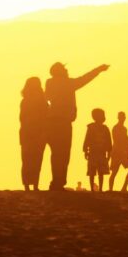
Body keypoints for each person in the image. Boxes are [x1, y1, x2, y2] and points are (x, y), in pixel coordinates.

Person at [45, 62, 109, 190]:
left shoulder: (50, 83)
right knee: (63, 154)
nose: (67, 70)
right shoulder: (68, 83)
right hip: (63, 122)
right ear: (61, 71)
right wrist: (98, 69)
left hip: (52, 121)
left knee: (56, 154)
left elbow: (47, 96)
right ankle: (59, 182)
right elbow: (85, 78)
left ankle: (56, 182)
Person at [19, 77, 49, 190]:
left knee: (33, 159)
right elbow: (22, 118)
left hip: (36, 133)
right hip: (30, 133)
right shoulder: (28, 101)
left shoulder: (40, 101)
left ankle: (32, 185)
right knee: (30, 159)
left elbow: (45, 117)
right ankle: (29, 185)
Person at [83, 108, 112, 192]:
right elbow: (87, 139)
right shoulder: (91, 128)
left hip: (101, 153)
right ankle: (92, 188)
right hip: (93, 152)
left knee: (101, 172)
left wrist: (109, 153)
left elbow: (109, 142)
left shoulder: (105, 129)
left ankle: (100, 189)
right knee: (92, 172)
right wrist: (86, 151)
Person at [109, 111, 128, 191]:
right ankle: (110, 189)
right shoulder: (115, 128)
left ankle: (124, 187)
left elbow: (126, 142)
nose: (123, 118)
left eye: (124, 117)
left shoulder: (125, 129)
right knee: (114, 172)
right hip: (116, 153)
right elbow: (116, 140)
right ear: (118, 118)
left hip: (124, 153)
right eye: (121, 117)